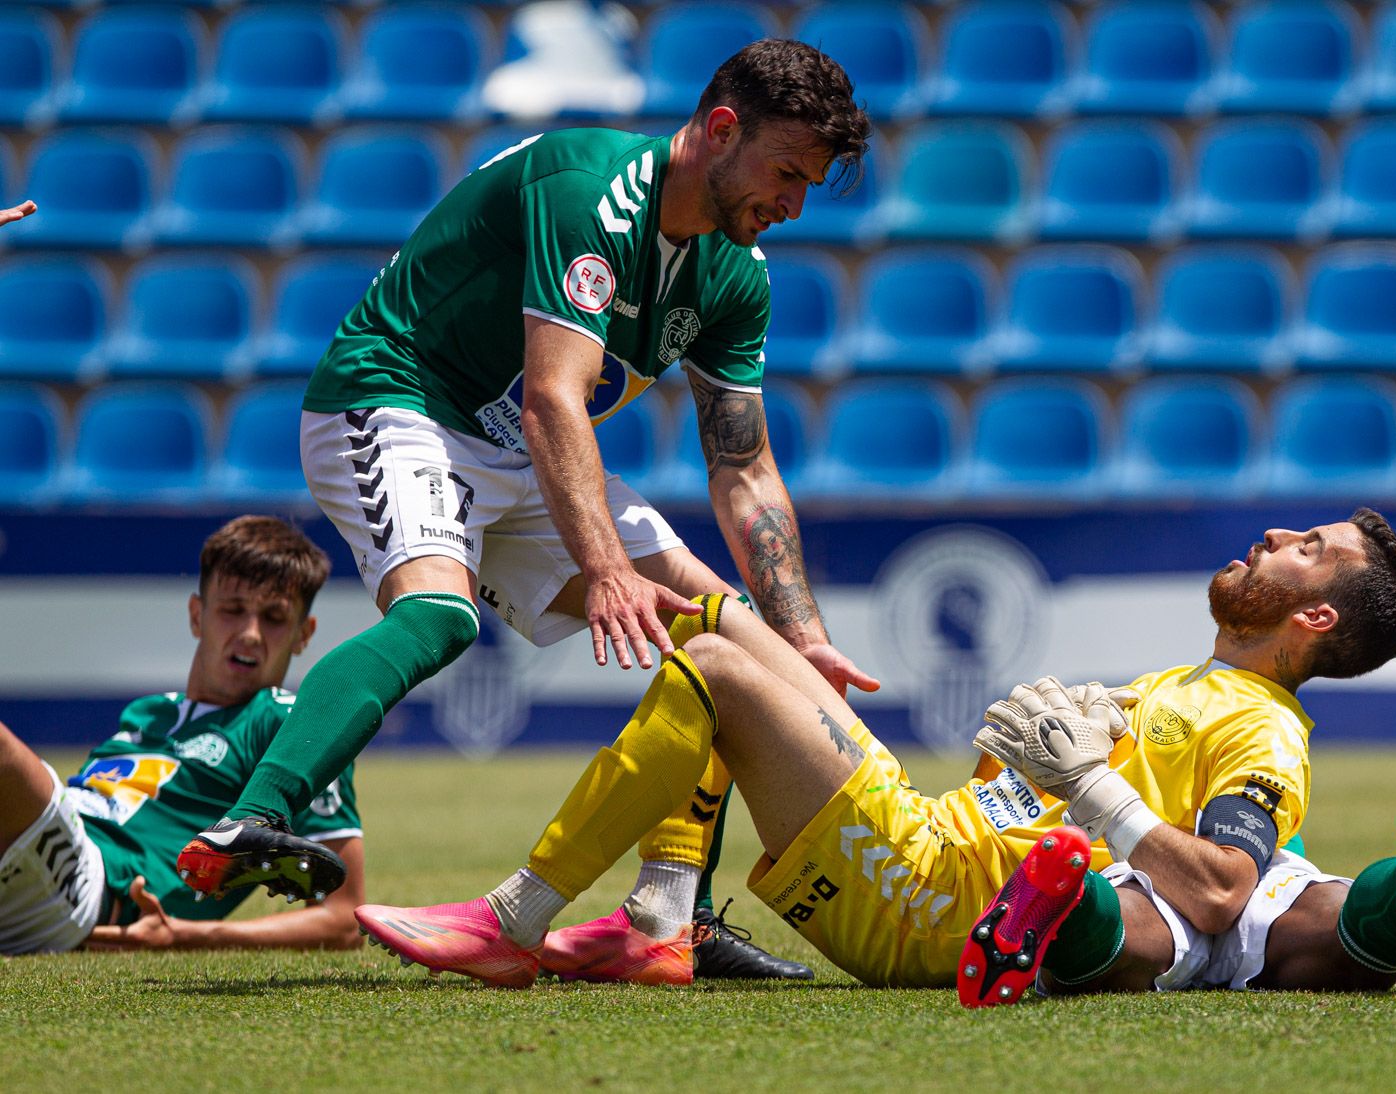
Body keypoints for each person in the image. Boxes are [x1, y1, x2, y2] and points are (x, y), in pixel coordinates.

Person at [173, 41, 875, 982]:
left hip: (513, 448)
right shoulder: (592, 192)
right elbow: (553, 396)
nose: (793, 206)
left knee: (726, 639)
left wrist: (805, 638)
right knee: (439, 615)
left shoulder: (735, 276)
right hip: (395, 397)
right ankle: (255, 815)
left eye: (810, 185)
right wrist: (611, 571)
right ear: (718, 132)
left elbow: (744, 467)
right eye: (787, 173)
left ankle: (671, 919)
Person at [351, 510, 1396, 1003]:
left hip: (940, 894)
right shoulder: (1197, 684)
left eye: (1308, 549)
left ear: (1319, 622)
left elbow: (1226, 887)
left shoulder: (1262, 725)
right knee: (724, 619)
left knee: (712, 665)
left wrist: (1085, 784)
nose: (1274, 539)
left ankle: (515, 918)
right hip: (933, 837)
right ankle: (656, 929)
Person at [0, 517, 364, 956]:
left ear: (303, 635)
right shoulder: (149, 712)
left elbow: (343, 919)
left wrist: (185, 934)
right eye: (232, 610)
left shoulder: (291, 723)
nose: (250, 634)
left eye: (273, 618)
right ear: (197, 615)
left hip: (88, 885)